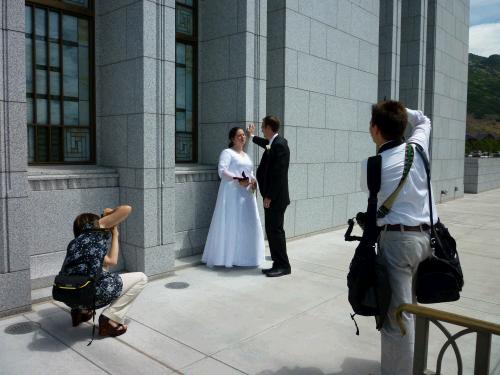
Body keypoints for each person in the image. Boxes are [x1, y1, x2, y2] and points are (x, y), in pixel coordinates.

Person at [360, 100, 437, 374]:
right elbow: (424, 121)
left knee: (397, 316)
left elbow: (373, 196)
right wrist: (406, 113)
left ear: (376, 129)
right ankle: (412, 365)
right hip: (428, 240)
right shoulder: (418, 147)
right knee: (412, 308)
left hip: (397, 243)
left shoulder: (374, 165)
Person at [59, 205, 147, 337]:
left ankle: (81, 312)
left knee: (100, 270)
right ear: (92, 225)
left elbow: (111, 260)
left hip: (68, 296)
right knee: (141, 278)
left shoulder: (75, 244)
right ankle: (110, 320)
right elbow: (127, 209)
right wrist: (109, 214)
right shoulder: (92, 232)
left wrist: (115, 235)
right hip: (91, 294)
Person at [202, 127, 265, 268]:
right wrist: (238, 179)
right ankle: (230, 257)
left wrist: (254, 181)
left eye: (243, 135)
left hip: (247, 195)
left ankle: (247, 256)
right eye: (239, 136)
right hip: (232, 194)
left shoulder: (246, 155)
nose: (242, 137)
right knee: (232, 222)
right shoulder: (227, 153)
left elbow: (250, 172)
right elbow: (222, 171)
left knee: (247, 223)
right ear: (232, 138)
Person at [247, 116, 291, 277]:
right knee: (272, 231)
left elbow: (279, 174)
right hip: (273, 197)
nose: (261, 129)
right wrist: (251, 137)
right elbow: (265, 144)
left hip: (276, 198)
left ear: (269, 128)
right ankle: (277, 263)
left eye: (262, 127)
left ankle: (283, 265)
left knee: (275, 231)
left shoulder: (280, 145)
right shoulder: (273, 143)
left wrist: (269, 196)